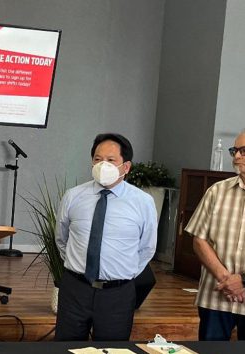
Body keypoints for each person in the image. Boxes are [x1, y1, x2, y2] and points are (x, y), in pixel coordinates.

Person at [54, 133, 157, 341]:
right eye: (98, 159)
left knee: (113, 349)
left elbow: (146, 248)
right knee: (65, 348)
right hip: (75, 289)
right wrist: (78, 266)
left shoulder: (143, 202)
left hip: (117, 295)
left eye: (111, 160)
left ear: (126, 167)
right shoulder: (73, 196)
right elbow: (61, 239)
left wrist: (120, 274)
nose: (103, 165)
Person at [185, 127, 245, 340]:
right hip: (216, 295)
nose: (238, 156)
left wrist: (244, 280)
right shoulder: (216, 191)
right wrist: (227, 279)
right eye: (235, 150)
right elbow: (199, 240)